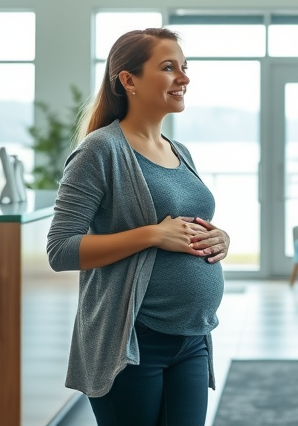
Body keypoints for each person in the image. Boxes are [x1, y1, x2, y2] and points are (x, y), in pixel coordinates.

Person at [46, 27, 231, 426]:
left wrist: (220, 238)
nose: (183, 77)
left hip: (192, 338)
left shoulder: (178, 150)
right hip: (131, 339)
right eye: (168, 67)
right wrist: (152, 235)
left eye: (184, 67)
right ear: (128, 80)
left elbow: (189, 223)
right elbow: (60, 249)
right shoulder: (101, 150)